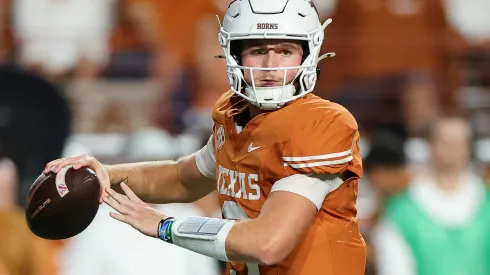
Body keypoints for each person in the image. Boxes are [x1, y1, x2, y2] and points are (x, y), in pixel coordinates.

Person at [44, 1, 366, 274]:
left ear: (309, 53)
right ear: (235, 54)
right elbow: (183, 178)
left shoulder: (321, 125)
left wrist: (165, 226)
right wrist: (105, 174)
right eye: (258, 49)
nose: (271, 66)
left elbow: (268, 243)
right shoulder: (233, 114)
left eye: (285, 50)